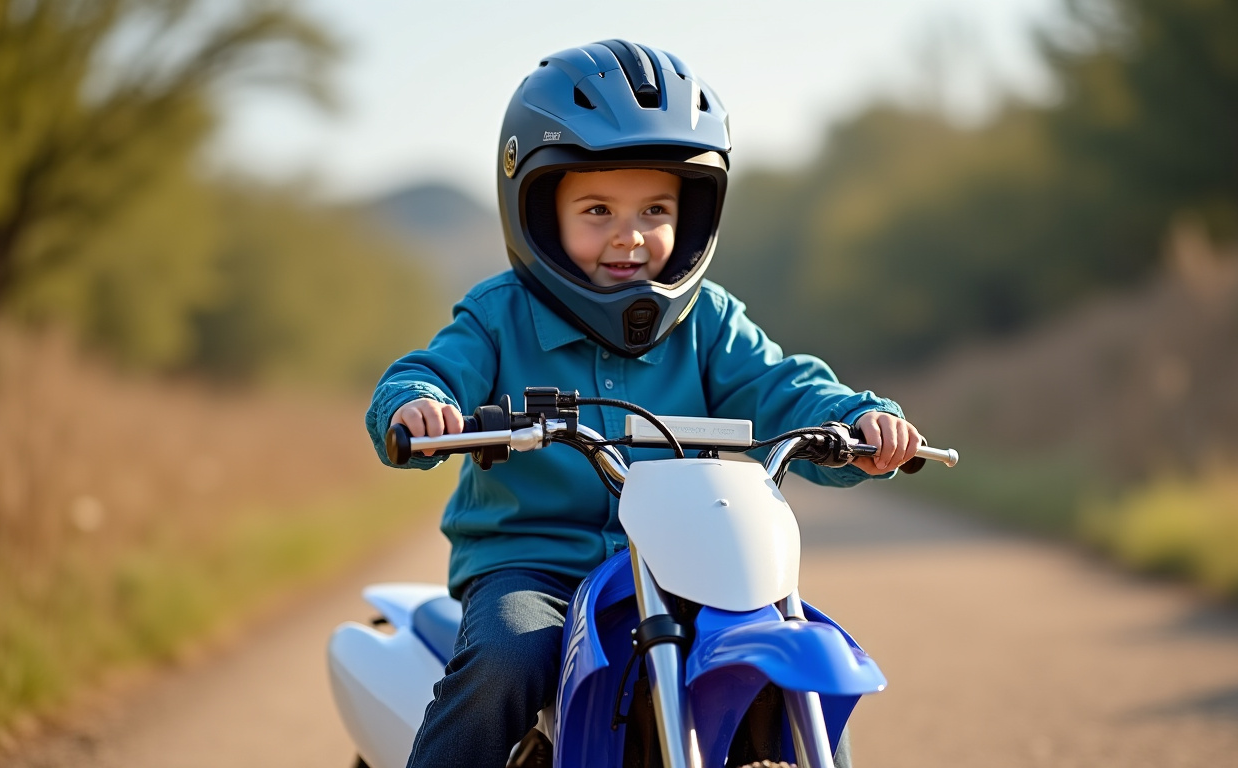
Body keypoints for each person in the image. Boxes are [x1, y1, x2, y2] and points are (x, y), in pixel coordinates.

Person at [366, 39, 921, 768]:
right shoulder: (499, 315)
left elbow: (786, 388)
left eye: (655, 209)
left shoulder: (712, 322)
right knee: (507, 660)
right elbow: (426, 372)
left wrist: (858, 421)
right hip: (538, 568)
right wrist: (419, 404)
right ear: (536, 209)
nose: (630, 236)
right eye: (597, 208)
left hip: (689, 564)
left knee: (795, 656)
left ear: (692, 215)